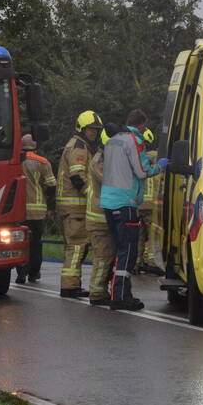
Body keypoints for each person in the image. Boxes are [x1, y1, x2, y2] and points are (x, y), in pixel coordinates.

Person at [100, 109, 167, 311]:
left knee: (120, 249)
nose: (145, 130)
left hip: (109, 202)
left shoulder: (112, 141)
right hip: (126, 202)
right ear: (140, 125)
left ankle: (121, 293)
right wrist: (161, 166)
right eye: (145, 126)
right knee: (128, 252)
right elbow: (141, 171)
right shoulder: (134, 140)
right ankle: (120, 297)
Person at [56, 110, 103, 297]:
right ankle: (70, 286)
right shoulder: (79, 147)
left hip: (71, 206)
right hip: (74, 206)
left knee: (75, 246)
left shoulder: (79, 145)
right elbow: (77, 177)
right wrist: (94, 196)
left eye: (96, 130)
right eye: (91, 130)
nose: (94, 133)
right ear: (81, 129)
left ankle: (72, 284)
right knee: (76, 246)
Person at [85, 123, 121, 306]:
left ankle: (102, 289)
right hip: (99, 218)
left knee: (109, 255)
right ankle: (97, 293)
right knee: (102, 256)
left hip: (106, 217)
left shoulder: (106, 157)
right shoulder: (100, 160)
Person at [17, 133, 55, 284]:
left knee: (20, 243)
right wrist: (50, 205)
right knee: (36, 243)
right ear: (35, 146)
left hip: (17, 211)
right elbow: (51, 185)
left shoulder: (14, 160)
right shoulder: (42, 162)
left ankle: (21, 273)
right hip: (37, 211)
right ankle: (34, 273)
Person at [135, 128, 164, 276]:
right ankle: (151, 262)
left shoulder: (138, 157)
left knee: (138, 235)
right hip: (151, 205)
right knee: (153, 235)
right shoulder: (156, 157)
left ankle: (136, 263)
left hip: (137, 204)